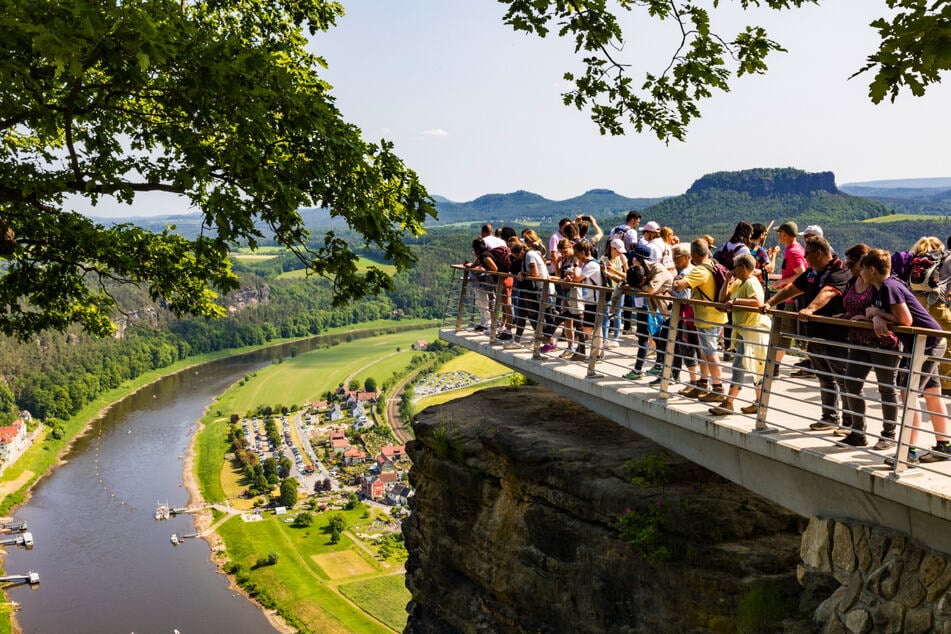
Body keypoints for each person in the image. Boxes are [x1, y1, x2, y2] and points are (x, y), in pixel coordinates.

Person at [858, 249, 951, 465]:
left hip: (926, 344)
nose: (860, 273)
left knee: (908, 394)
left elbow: (906, 320)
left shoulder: (889, 287)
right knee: (931, 393)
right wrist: (874, 316)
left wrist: (878, 315)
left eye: (862, 268)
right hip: (930, 341)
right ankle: (943, 445)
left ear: (872, 269)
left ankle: (907, 453)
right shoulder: (884, 286)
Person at [764, 237, 852, 433]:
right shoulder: (812, 271)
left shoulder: (840, 270)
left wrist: (810, 309)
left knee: (843, 377)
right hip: (815, 333)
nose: (805, 259)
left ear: (818, 254)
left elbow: (829, 292)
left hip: (837, 335)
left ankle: (850, 422)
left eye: (807, 255)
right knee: (824, 376)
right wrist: (770, 302)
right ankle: (829, 417)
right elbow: (793, 288)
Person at [838, 243, 901, 450]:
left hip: (882, 342)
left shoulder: (880, 284)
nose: (848, 267)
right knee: (852, 384)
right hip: (857, 341)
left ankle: (888, 435)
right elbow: (854, 307)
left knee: (886, 389)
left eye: (852, 263)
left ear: (866, 265)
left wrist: (873, 318)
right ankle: (858, 432)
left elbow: (888, 312)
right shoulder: (854, 281)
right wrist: (845, 317)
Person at [709, 254, 771, 416]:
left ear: (743, 267)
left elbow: (757, 302)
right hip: (744, 330)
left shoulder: (751, 282)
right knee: (753, 366)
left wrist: (735, 303)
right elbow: (723, 299)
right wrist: (727, 282)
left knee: (741, 366)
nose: (732, 270)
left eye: (735, 267)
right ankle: (758, 402)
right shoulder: (739, 283)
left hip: (753, 330)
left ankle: (728, 403)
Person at [671, 238, 728, 401]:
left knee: (710, 353)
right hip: (718, 315)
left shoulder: (699, 270)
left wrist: (675, 282)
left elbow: (680, 285)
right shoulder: (714, 264)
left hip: (705, 318)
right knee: (704, 351)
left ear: (694, 254)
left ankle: (718, 389)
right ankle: (702, 384)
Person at [907, 236, 951, 395]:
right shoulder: (946, 260)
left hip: (915, 305)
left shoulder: (917, 259)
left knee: (924, 341)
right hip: (935, 306)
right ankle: (947, 384)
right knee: (945, 339)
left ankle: (922, 379)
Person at [622, 251, 673, 379]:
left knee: (653, 338)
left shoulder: (657, 270)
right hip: (653, 308)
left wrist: (635, 289)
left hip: (666, 311)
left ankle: (660, 373)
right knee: (653, 337)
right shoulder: (638, 272)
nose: (633, 260)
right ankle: (658, 368)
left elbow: (650, 290)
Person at [768, 221, 808, 372]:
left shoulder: (792, 251)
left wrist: (782, 282)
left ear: (785, 235)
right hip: (792, 297)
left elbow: (801, 272)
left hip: (791, 298)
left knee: (784, 333)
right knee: (793, 332)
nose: (778, 235)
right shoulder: (796, 248)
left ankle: (774, 367)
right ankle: (810, 362)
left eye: (779, 233)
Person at [668, 244, 701, 390]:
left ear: (688, 257)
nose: (675, 260)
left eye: (678, 257)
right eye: (674, 257)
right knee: (692, 347)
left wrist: (669, 292)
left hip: (686, 315)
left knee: (687, 347)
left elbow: (685, 297)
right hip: (693, 315)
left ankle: (693, 382)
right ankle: (697, 381)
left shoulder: (686, 274)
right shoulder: (693, 270)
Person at [566, 240, 604, 362]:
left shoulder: (591, 265)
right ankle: (597, 352)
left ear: (583, 252)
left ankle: (597, 353)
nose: (576, 257)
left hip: (595, 301)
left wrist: (576, 266)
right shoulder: (588, 265)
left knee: (591, 328)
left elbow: (577, 278)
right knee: (591, 327)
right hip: (590, 300)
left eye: (577, 255)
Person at [601, 238, 629, 349]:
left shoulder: (622, 257)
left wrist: (613, 271)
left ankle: (616, 338)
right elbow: (603, 274)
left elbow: (628, 273)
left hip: (620, 288)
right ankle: (605, 339)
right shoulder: (604, 259)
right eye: (618, 251)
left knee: (618, 313)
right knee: (607, 313)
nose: (620, 253)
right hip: (609, 289)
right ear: (612, 248)